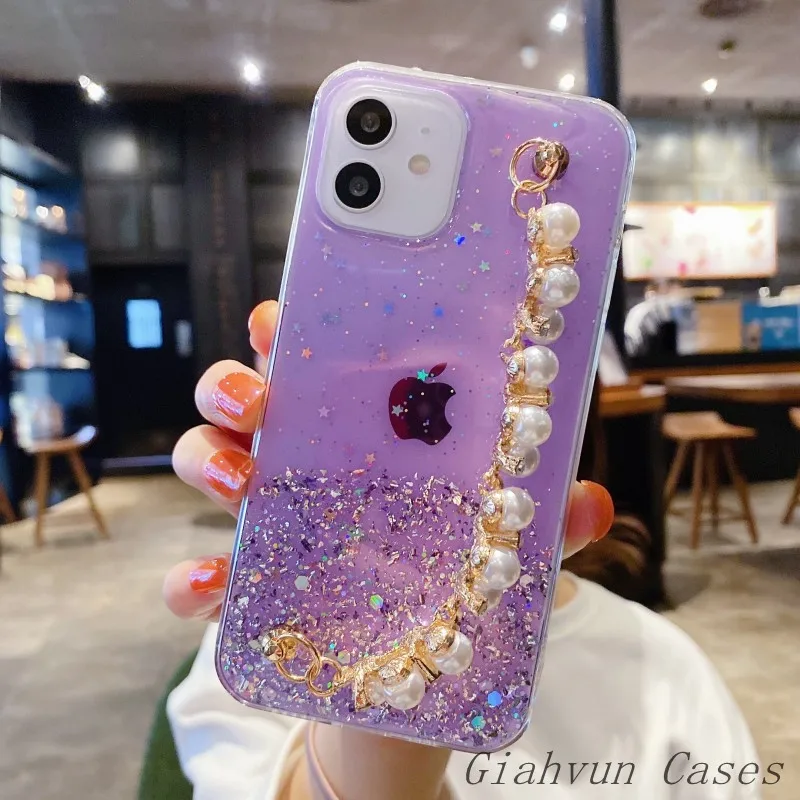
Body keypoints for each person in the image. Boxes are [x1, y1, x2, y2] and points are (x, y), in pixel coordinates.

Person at [163, 301, 763, 799]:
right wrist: (389, 702)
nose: (414, 420)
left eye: (466, 375)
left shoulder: (663, 675)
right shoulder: (272, 643)